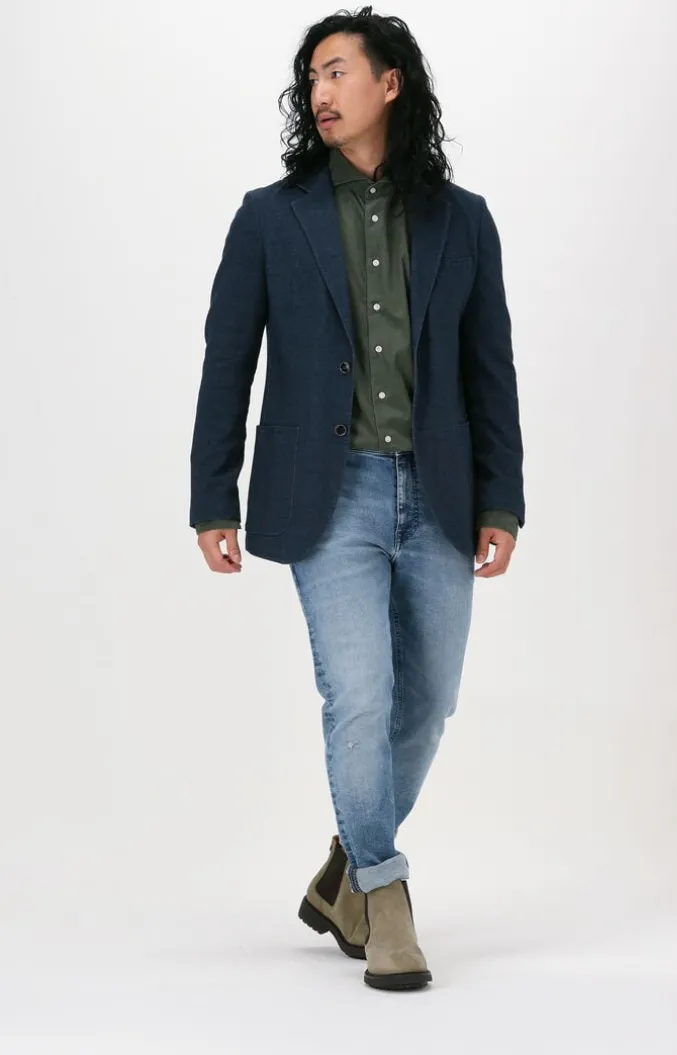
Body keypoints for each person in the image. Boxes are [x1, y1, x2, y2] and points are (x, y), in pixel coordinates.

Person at [189, 6, 525, 991]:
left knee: (430, 700)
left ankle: (344, 867)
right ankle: (385, 894)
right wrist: (213, 495)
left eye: (337, 71)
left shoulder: (464, 220)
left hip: (442, 489)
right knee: (361, 696)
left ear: (390, 84)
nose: (319, 92)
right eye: (311, 77)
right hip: (326, 497)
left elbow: (490, 369)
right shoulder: (270, 217)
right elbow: (227, 361)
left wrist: (502, 499)